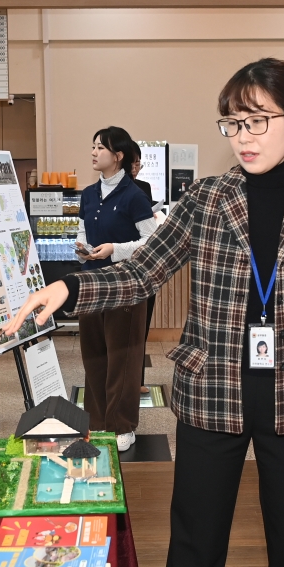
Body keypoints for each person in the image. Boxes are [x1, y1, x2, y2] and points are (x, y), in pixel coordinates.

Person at [4, 57, 284, 567]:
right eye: (233, 122)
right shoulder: (207, 200)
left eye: (258, 121)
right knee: (194, 559)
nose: (244, 136)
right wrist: (68, 288)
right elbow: (141, 274)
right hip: (211, 397)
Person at [75, 127, 155, 452]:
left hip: (125, 285)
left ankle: (122, 424)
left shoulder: (134, 195)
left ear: (118, 156)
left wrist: (115, 249)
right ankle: (97, 420)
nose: (94, 152)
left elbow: (151, 241)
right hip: (92, 283)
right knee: (93, 354)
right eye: (92, 146)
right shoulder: (88, 194)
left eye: (100, 147)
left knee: (122, 356)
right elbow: (82, 230)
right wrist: (81, 249)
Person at [128, 140, 158, 395]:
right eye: (133, 162)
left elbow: (146, 228)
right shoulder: (102, 191)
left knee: (140, 328)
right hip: (121, 265)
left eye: (139, 163)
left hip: (142, 264)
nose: (136, 167)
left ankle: (137, 379)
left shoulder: (143, 188)